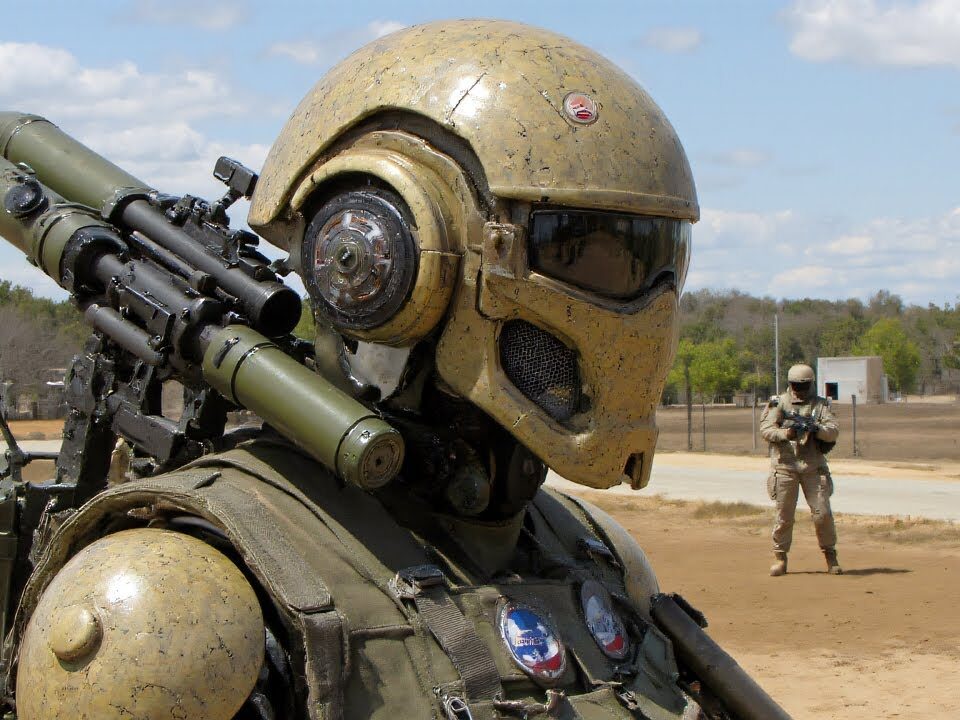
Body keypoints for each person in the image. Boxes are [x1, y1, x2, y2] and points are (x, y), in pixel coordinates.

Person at [7, 19, 764, 720]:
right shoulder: (174, 613)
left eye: (653, 258)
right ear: (388, 261)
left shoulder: (595, 554)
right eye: (580, 252)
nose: (647, 306)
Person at [760, 363, 842, 576]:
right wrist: (786, 434)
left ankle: (830, 555)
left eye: (804, 386)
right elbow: (766, 429)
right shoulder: (778, 402)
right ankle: (780, 557)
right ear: (790, 384)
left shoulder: (821, 405)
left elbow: (833, 431)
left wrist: (817, 429)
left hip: (813, 466)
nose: (800, 390)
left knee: (822, 514)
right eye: (796, 386)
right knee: (784, 515)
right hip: (785, 466)